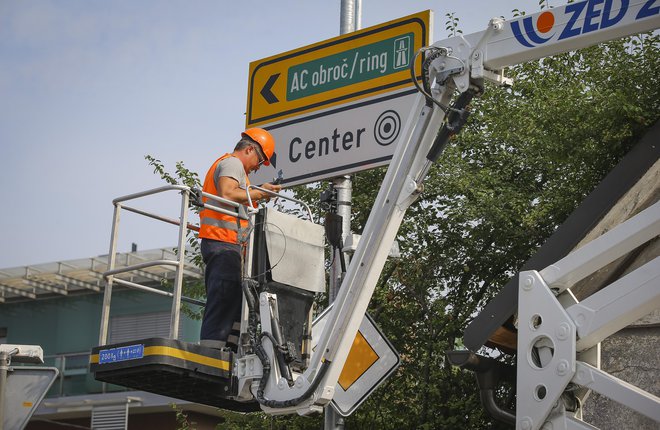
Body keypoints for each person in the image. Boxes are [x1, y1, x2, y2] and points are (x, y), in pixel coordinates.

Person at [198, 128, 281, 350]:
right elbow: (226, 194)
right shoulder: (232, 163)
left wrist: (256, 193)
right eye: (260, 160)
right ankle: (211, 354)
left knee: (234, 301)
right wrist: (260, 193)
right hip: (222, 243)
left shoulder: (237, 171)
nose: (257, 167)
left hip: (227, 245)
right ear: (250, 149)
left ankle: (228, 352)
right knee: (223, 299)